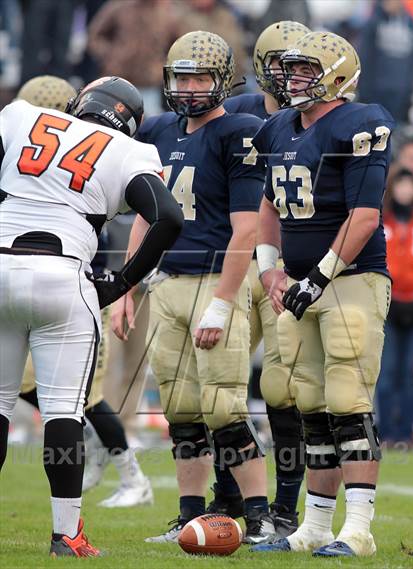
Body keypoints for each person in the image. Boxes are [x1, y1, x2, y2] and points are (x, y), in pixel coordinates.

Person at [0, 76, 183, 556]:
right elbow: (168, 216)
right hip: (64, 276)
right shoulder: (131, 150)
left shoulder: (20, 116)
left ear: (79, 102)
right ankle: (67, 534)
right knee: (64, 412)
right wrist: (123, 281)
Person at [112, 31, 275, 544]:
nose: (188, 87)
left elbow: (247, 229)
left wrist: (224, 304)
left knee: (224, 407)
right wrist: (125, 288)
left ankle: (260, 514)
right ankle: (187, 515)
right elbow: (146, 216)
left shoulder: (238, 132)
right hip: (167, 283)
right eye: (181, 76)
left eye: (200, 77)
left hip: (216, 278)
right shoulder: (158, 129)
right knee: (181, 409)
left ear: (223, 81)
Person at [251, 31, 394, 557]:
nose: (294, 80)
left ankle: (358, 529)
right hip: (299, 284)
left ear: (336, 75)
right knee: (309, 402)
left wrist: (319, 277)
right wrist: (270, 270)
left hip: (353, 279)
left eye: (306, 71)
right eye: (291, 70)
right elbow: (268, 204)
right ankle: (313, 526)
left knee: (347, 401)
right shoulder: (279, 128)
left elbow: (364, 215)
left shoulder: (359, 123)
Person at [15, 74, 154, 509]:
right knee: (39, 392)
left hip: (76, 285)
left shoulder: (80, 153)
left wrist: (120, 283)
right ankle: (95, 450)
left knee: (82, 399)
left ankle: (132, 475)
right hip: (49, 282)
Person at [210, 20, 311, 537]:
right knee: (220, 390)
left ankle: (287, 508)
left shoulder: (321, 120)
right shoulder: (242, 112)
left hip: (285, 265)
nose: (290, 76)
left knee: (281, 388)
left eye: (298, 66)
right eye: (280, 65)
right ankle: (226, 499)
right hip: (236, 260)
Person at [377, 168, 413, 443]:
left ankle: (405, 431)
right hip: (389, 306)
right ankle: (387, 433)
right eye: (400, 186)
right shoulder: (382, 222)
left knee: (410, 372)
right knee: (387, 370)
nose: (405, 191)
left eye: (409, 186)